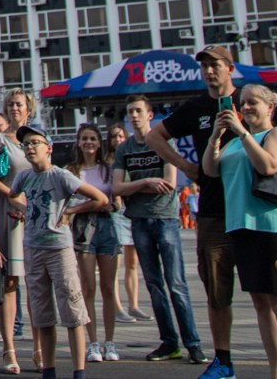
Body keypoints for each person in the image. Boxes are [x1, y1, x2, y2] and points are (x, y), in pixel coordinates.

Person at [141, 45, 242, 379]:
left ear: (230, 68)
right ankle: (223, 361)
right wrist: (186, 166)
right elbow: (155, 135)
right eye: (204, 67)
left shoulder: (250, 100)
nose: (210, 72)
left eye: (215, 65)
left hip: (255, 208)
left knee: (268, 294)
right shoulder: (198, 107)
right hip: (214, 211)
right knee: (216, 291)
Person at [210, 84, 277, 379]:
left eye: (253, 103)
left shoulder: (276, 134)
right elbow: (211, 170)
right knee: (260, 302)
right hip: (240, 224)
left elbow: (269, 165)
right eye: (242, 103)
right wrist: (216, 135)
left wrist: (243, 133)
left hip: (270, 225)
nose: (246, 108)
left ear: (270, 107)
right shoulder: (234, 141)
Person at [9, 126, 107, 379]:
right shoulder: (24, 177)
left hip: (58, 248)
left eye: (35, 143)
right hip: (33, 248)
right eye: (26, 144)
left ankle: (78, 371)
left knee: (73, 310)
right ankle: (49, 370)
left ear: (48, 148)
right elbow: (12, 195)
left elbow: (99, 199)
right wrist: (25, 210)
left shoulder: (61, 176)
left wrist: (70, 212)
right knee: (42, 314)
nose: (29, 148)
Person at [114, 94, 202, 364]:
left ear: (149, 115)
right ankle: (169, 342)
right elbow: (117, 188)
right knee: (154, 284)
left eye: (139, 111)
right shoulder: (124, 149)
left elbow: (170, 181)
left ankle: (193, 343)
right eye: (130, 112)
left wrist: (139, 185)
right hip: (138, 219)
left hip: (165, 218)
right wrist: (146, 182)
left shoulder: (164, 142)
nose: (134, 116)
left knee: (176, 283)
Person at [0, 90, 35, 376]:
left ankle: (40, 348)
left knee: (37, 282)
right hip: (5, 211)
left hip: (32, 215)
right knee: (9, 282)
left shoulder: (35, 139)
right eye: (10, 104)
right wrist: (16, 197)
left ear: (29, 110)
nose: (15, 108)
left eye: (20, 105)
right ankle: (9, 348)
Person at [67, 124, 120, 363]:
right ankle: (93, 343)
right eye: (84, 139)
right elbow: (67, 203)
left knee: (109, 288)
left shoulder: (108, 169)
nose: (89, 143)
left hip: (107, 225)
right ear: (79, 143)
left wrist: (110, 204)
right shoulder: (71, 170)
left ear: (100, 143)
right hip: (83, 227)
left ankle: (110, 342)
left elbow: (116, 201)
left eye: (93, 139)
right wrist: (95, 203)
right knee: (88, 288)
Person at [106, 122, 141, 323]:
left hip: (131, 210)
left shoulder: (130, 156)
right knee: (115, 264)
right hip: (116, 212)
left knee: (133, 262)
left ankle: (134, 305)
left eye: (120, 136)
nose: (118, 140)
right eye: (114, 136)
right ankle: (117, 307)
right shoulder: (108, 161)